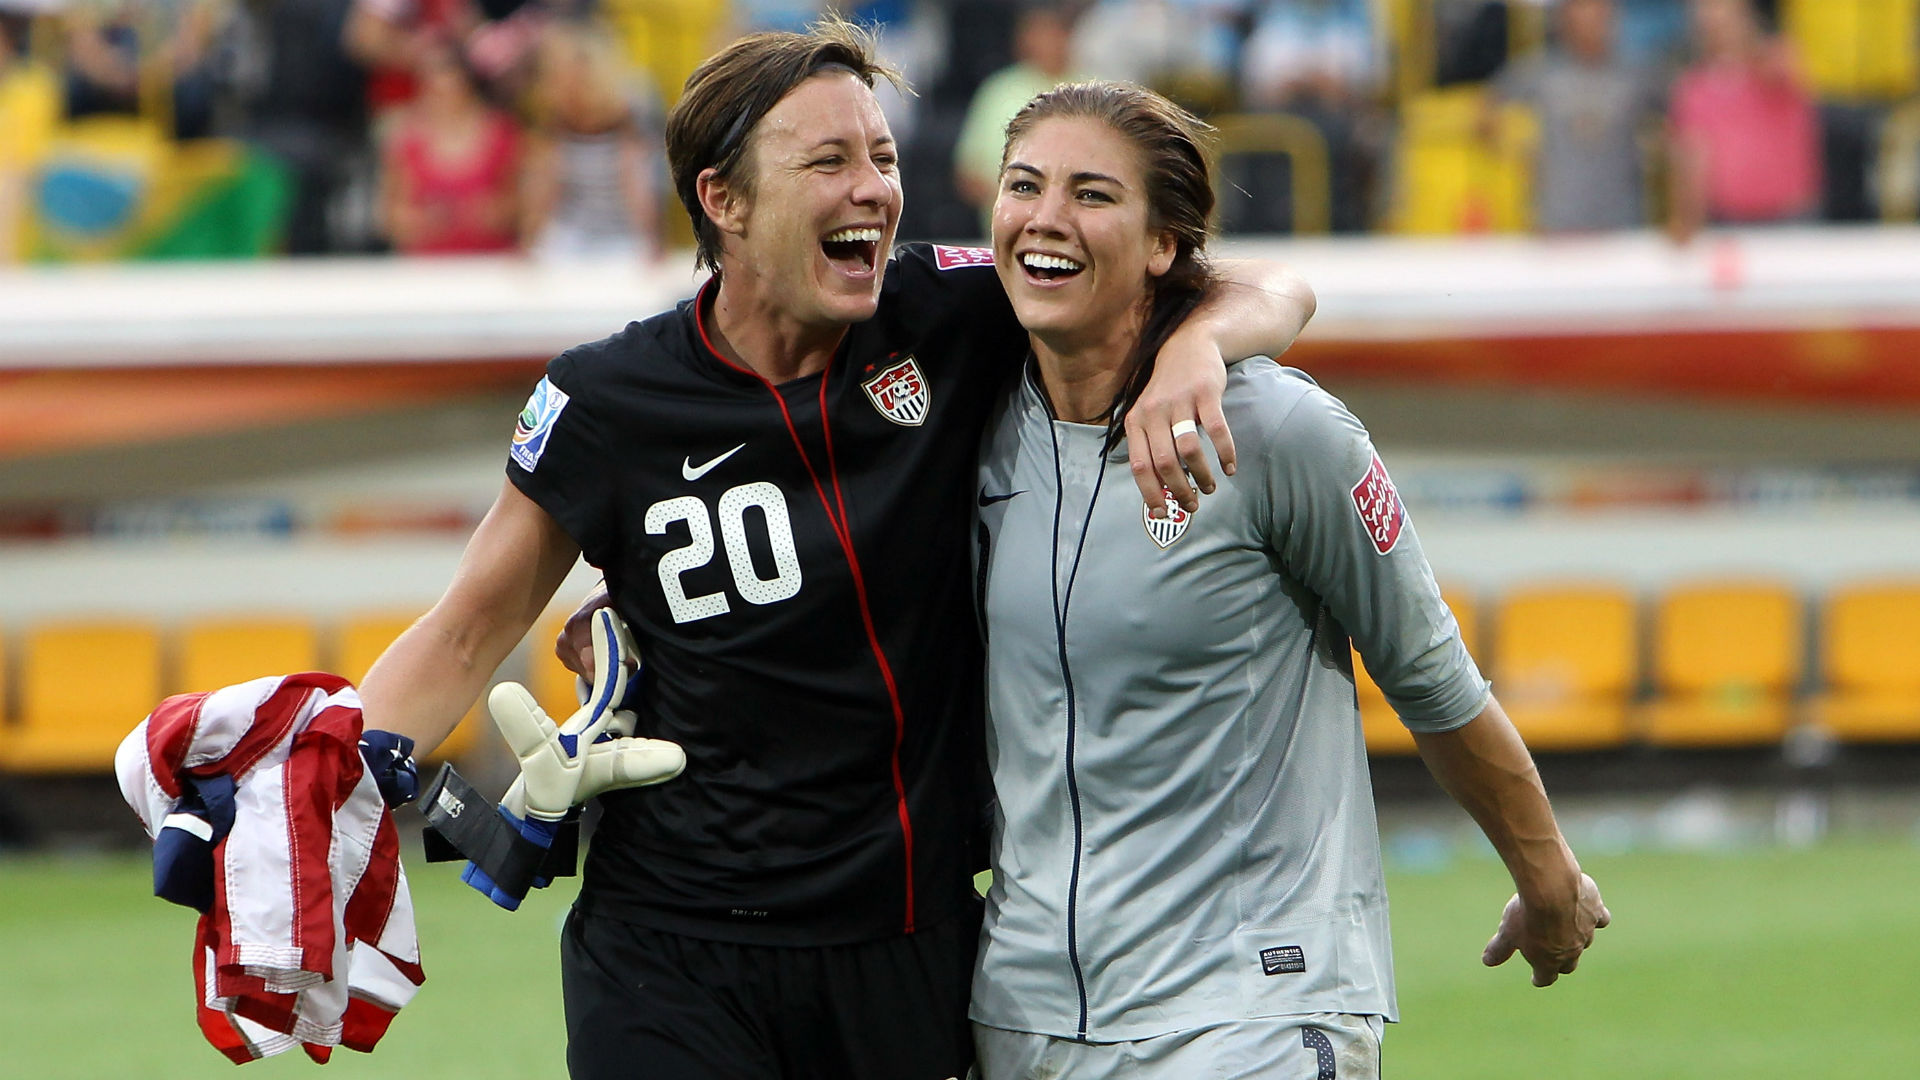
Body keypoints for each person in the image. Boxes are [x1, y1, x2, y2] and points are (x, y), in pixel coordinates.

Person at [359, 18, 1316, 1080]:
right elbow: (464, 629)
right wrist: (331, 774)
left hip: (906, 942)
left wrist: (1192, 346)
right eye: (829, 161)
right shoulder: (607, 399)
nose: (873, 188)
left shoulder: (950, 309)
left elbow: (1267, 287)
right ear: (723, 200)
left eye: (885, 157)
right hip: (670, 946)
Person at [968, 81, 1609, 1078]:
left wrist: (1550, 879)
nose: (1047, 218)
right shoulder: (969, 415)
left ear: (1162, 245)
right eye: (1024, 185)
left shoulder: (1277, 433)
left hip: (1249, 1009)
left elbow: (1430, 676)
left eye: (1093, 194)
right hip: (1023, 1020)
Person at [1484, 0, 1664, 233]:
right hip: (1558, 226)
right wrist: (1514, 148)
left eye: (1601, 8)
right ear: (1564, 16)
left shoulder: (1637, 73)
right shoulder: (1541, 70)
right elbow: (1487, 106)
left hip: (1621, 227)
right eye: (1582, 7)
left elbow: (1681, 115)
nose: (1593, 17)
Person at [1666, 0, 1820, 243]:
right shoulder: (1692, 88)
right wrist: (1686, 222)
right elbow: (1693, 161)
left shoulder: (1777, 59)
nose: (1713, 17)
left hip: (1789, 221)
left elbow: (1792, 73)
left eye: (1721, 7)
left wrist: (1745, 39)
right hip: (1727, 225)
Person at [520, 19, 661, 261]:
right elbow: (542, 191)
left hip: (621, 233)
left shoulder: (626, 120)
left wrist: (652, 243)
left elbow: (638, 190)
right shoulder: (552, 123)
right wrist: (528, 244)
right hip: (569, 233)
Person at [378, 34, 521, 253]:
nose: (438, 87)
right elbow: (390, 216)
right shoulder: (406, 139)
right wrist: (425, 220)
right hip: (430, 268)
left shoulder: (501, 133)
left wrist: (490, 213)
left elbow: (526, 205)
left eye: (445, 74)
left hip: (490, 263)